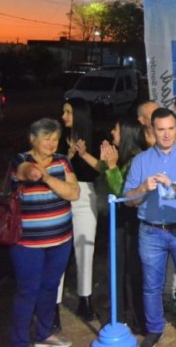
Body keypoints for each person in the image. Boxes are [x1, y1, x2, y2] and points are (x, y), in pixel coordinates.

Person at [123, 108, 176, 347]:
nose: (167, 134)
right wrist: (142, 188)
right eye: (161, 129)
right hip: (151, 231)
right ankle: (154, 329)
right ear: (152, 130)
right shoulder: (141, 160)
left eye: (171, 128)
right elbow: (128, 200)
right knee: (151, 284)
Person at [9, 118, 80, 347]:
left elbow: (73, 193)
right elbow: (25, 172)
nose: (52, 143)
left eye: (55, 139)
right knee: (27, 290)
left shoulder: (62, 162)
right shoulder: (20, 159)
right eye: (46, 138)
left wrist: (47, 177)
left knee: (50, 287)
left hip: (60, 239)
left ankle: (44, 334)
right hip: (27, 243)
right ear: (33, 139)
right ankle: (19, 340)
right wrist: (32, 171)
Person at [77, 116, 149, 331]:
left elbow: (123, 194)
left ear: (127, 133)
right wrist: (84, 155)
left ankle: (132, 319)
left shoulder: (137, 159)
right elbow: (103, 169)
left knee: (129, 272)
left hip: (130, 225)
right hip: (120, 223)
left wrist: (111, 166)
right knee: (119, 270)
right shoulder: (125, 156)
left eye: (116, 130)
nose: (112, 133)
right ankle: (121, 315)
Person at [59, 97, 100, 322]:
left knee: (86, 249)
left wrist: (83, 154)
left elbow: (103, 168)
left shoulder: (95, 136)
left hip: (85, 195)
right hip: (61, 195)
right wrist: (68, 157)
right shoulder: (56, 140)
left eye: (68, 112)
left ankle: (85, 300)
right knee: (59, 253)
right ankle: (53, 304)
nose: (64, 117)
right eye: (63, 112)